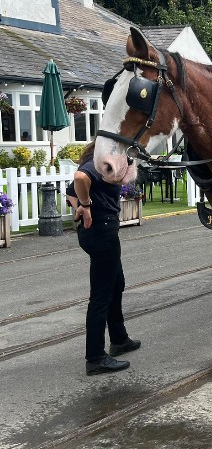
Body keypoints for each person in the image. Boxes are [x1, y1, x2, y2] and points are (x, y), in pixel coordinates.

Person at [66, 140, 140, 375]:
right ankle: (95, 357)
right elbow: (79, 179)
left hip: (98, 231)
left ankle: (119, 339)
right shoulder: (97, 164)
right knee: (101, 296)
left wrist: (79, 205)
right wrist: (86, 205)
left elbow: (70, 191)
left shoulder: (97, 163)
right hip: (102, 231)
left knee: (116, 284)